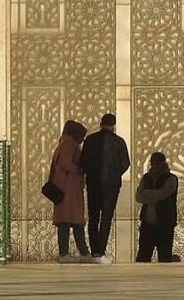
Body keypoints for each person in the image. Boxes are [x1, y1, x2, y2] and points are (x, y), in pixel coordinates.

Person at [79, 111, 130, 263]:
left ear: (101, 124)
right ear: (113, 126)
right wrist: (115, 175)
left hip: (94, 185)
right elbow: (125, 163)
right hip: (111, 187)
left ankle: (94, 250)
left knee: (93, 217)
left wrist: (91, 174)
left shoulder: (90, 140)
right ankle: (100, 251)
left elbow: (83, 162)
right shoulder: (119, 142)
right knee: (106, 218)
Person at [50, 120, 90, 262]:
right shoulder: (69, 145)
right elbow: (65, 163)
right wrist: (79, 170)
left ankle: (74, 252)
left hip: (66, 187)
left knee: (68, 221)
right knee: (71, 221)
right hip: (69, 189)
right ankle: (73, 253)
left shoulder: (64, 144)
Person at [134, 151, 180, 263]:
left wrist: (148, 193)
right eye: (153, 163)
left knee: (164, 256)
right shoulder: (146, 178)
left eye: (156, 163)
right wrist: (154, 197)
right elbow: (139, 197)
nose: (154, 166)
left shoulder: (171, 178)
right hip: (147, 222)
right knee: (143, 256)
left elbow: (163, 194)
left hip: (165, 223)